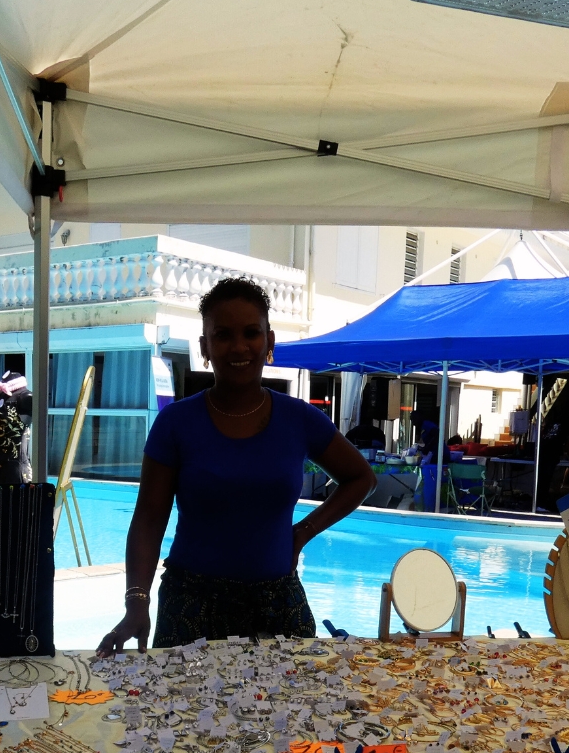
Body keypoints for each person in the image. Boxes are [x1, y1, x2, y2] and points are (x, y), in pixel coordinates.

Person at [97, 277, 376, 651]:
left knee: (296, 692)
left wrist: (303, 532)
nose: (239, 346)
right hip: (192, 607)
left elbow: (360, 478)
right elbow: (148, 518)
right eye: (223, 335)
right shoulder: (176, 423)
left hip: (277, 605)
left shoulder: (300, 420)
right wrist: (136, 603)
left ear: (269, 342)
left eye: (251, 333)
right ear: (205, 347)